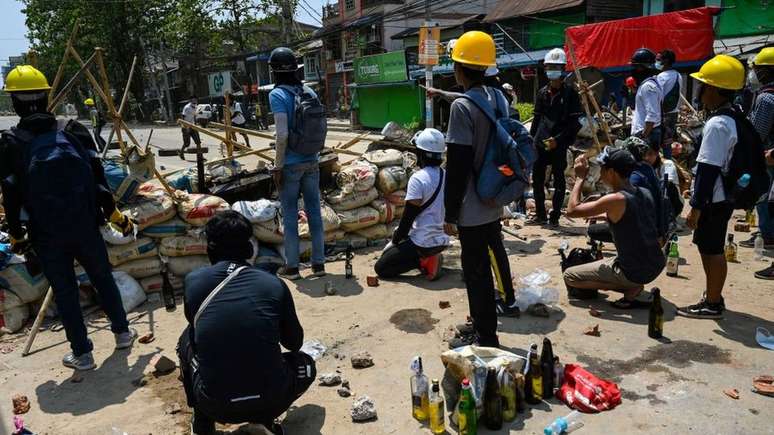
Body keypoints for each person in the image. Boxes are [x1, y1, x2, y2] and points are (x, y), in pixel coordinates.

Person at [0, 65, 137, 370]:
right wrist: (112, 212)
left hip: (46, 232)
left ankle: (82, 354)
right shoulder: (73, 130)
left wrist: (17, 235)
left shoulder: (11, 143)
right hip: (86, 222)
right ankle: (123, 333)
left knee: (65, 291)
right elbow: (99, 178)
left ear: (14, 102)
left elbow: (10, 194)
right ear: (48, 95)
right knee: (103, 277)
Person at [177, 211, 315, 435]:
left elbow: (199, 339)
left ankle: (202, 421)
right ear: (250, 249)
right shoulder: (273, 284)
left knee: (186, 339)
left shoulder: (194, 282)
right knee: (305, 365)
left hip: (216, 405)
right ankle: (265, 418)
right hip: (272, 398)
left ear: (209, 249)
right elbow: (294, 343)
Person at [444, 30, 514, 348]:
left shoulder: (462, 107)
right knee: (487, 262)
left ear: (460, 68)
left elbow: (456, 165)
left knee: (476, 272)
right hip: (493, 196)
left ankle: (485, 336)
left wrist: (449, 213)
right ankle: (484, 324)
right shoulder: (498, 97)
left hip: (471, 205)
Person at [678, 55, 745, 319]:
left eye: (703, 87)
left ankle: (713, 303)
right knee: (711, 247)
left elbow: (707, 169)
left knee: (712, 249)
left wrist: (696, 207)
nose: (700, 92)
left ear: (715, 89)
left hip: (714, 198)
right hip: (723, 196)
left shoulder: (717, 124)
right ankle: (712, 295)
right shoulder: (733, 117)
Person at [564, 148, 665, 308]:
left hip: (635, 270)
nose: (600, 173)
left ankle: (630, 287)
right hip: (656, 262)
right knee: (596, 233)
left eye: (602, 169)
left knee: (570, 276)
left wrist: (580, 178)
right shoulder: (644, 192)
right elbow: (633, 219)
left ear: (611, 172)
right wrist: (603, 215)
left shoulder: (616, 199)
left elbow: (572, 210)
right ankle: (630, 282)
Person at [268, 47, 326, 280]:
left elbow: (281, 135)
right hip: (312, 160)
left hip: (290, 165)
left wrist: (278, 166)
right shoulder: (309, 91)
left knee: (290, 215)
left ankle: (292, 267)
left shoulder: (277, 95)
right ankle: (319, 264)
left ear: (274, 70)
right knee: (315, 212)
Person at [374, 128, 448, 280]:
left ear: (420, 153)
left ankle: (424, 261)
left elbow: (408, 217)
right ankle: (431, 257)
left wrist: (395, 240)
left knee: (381, 267)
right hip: (441, 240)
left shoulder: (418, 178)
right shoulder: (445, 175)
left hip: (422, 242)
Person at [528, 48, 582, 226]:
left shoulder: (571, 94)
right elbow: (537, 119)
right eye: (549, 66)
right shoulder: (542, 92)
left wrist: (557, 140)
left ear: (562, 69)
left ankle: (555, 216)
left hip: (559, 143)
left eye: (555, 67)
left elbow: (574, 124)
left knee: (558, 179)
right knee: (537, 179)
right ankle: (541, 215)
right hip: (541, 142)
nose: (551, 70)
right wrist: (531, 140)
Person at [744, 47, 774, 280]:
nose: (752, 74)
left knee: (765, 200)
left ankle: (768, 236)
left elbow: (758, 132)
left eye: (756, 70)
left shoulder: (766, 98)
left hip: (768, 157)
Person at [630, 48, 663, 152]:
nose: (634, 70)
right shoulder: (649, 84)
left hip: (647, 134)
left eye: (636, 67)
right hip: (648, 132)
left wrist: (643, 137)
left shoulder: (648, 86)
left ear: (644, 68)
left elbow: (652, 115)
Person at [656, 49, 683, 149]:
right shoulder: (678, 75)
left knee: (659, 143)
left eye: (658, 60)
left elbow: (658, 98)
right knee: (668, 142)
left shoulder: (661, 77)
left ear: (666, 61)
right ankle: (668, 159)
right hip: (674, 113)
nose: (656, 62)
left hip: (663, 114)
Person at [180, 95, 202, 159]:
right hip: (185, 127)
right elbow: (183, 117)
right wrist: (186, 127)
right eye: (193, 100)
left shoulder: (196, 107)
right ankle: (181, 153)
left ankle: (200, 156)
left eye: (196, 99)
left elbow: (194, 115)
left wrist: (195, 124)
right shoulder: (187, 107)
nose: (195, 101)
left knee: (198, 142)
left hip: (193, 126)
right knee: (187, 144)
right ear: (190, 101)